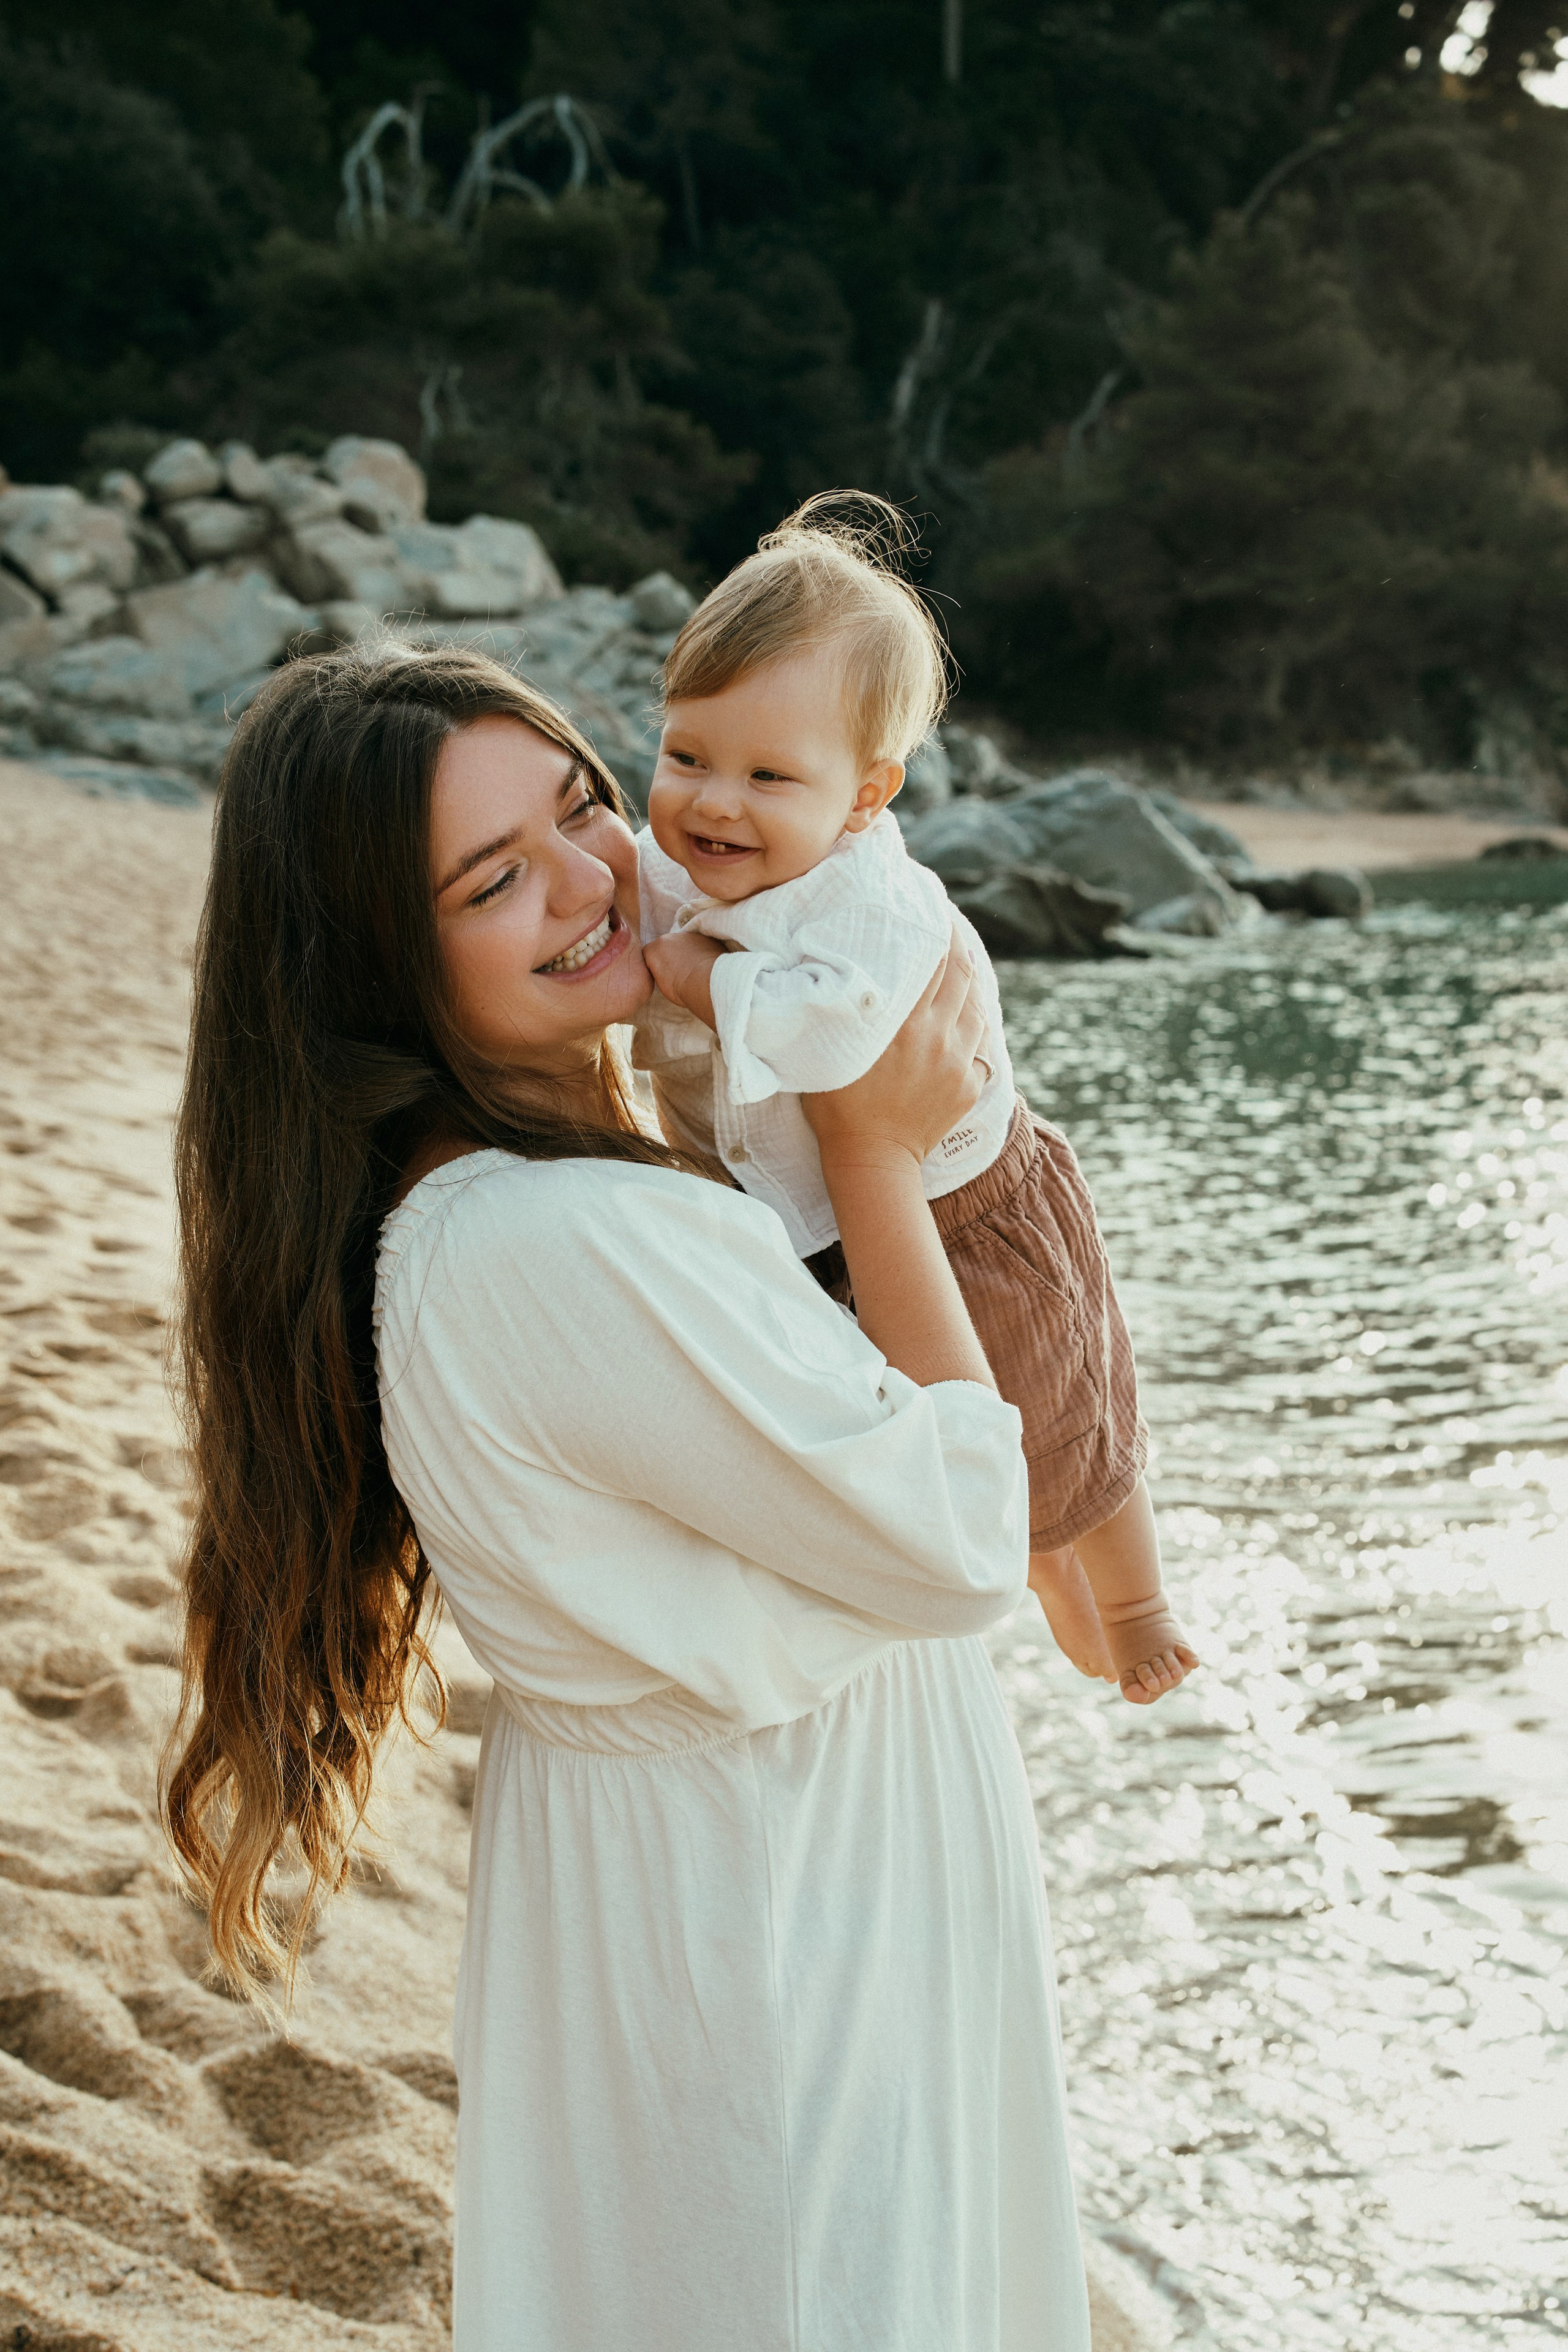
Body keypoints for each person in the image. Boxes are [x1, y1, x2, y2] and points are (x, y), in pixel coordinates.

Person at [162, 643, 1093, 2350]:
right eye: (494, 879)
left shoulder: (501, 1199)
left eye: (586, 805)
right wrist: (878, 1150)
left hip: (723, 1897)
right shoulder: (566, 1240)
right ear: (383, 960)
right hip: (781, 1929)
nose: (594, 878)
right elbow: (970, 1536)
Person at [633, 495, 1197, 1703]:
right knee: (961, 1451)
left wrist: (694, 976)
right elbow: (623, 888)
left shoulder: (869, 904)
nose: (712, 802)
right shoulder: (695, 860)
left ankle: (1134, 1594)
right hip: (848, 1221)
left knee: (1067, 1405)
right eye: (685, 756)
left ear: (864, 795)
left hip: (973, 1205)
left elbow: (830, 1035)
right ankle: (1042, 1567)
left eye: (766, 775)